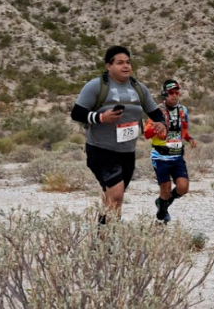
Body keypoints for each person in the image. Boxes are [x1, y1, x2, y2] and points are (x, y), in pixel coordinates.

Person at [70, 46, 166, 222]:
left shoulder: (139, 88)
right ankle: (111, 236)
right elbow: (76, 113)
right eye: (120, 63)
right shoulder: (96, 86)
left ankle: (104, 234)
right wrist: (100, 117)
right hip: (101, 149)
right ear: (109, 66)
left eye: (128, 62)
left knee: (112, 198)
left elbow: (155, 112)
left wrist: (161, 123)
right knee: (116, 195)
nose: (126, 66)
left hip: (127, 151)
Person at [144, 79, 197, 223]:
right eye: (170, 93)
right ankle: (162, 216)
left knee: (183, 187)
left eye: (176, 92)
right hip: (160, 156)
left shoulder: (183, 110)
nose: (174, 95)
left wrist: (189, 138)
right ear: (164, 94)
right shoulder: (156, 111)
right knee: (165, 188)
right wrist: (157, 128)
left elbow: (182, 130)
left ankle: (164, 203)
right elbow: (146, 134)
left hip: (177, 156)